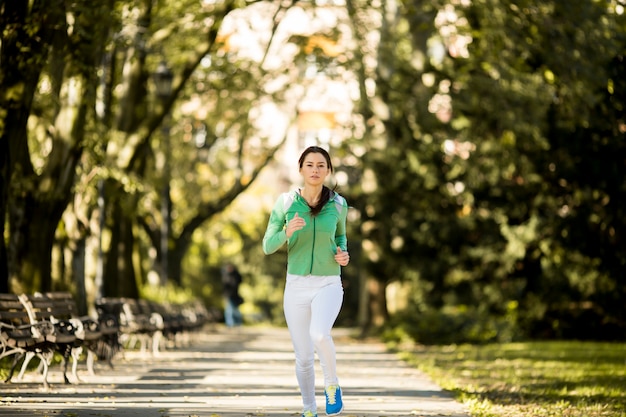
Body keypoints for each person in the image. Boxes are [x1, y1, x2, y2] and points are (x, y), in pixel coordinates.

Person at [263, 146, 350, 417]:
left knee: (319, 334)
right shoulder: (286, 203)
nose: (315, 170)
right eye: (310, 165)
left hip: (328, 282)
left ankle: (332, 384)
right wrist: (286, 233)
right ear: (300, 169)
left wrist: (343, 254)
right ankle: (309, 408)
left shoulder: (338, 203)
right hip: (297, 285)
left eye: (321, 165)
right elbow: (267, 245)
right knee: (302, 357)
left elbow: (341, 237)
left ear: (328, 170)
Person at [221, 263, 243, 327]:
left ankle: (237, 323)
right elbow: (224, 286)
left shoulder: (235, 275)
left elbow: (239, 281)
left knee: (235, 310)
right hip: (228, 296)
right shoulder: (226, 276)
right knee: (229, 310)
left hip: (235, 295)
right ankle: (230, 324)